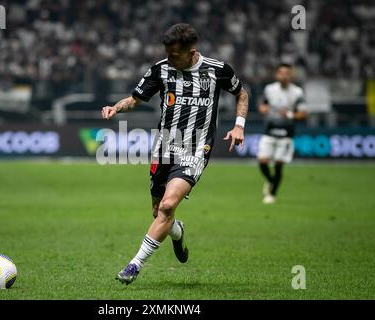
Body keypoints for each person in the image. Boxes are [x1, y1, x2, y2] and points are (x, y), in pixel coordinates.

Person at [101, 23, 249, 285]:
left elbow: (242, 94)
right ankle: (177, 232)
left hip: (196, 148)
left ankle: (134, 265)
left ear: (192, 51)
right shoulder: (161, 69)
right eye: (167, 53)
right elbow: (135, 99)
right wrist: (116, 107)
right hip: (164, 147)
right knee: (159, 211)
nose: (169, 59)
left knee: (168, 205)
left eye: (174, 55)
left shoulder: (218, 70)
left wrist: (239, 126)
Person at [257, 63, 307, 204]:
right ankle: (271, 181)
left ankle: (271, 195)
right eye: (281, 73)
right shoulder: (269, 89)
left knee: (279, 164)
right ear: (277, 75)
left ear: (291, 75)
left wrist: (290, 114)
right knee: (262, 161)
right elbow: (262, 106)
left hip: (286, 132)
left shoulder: (297, 92)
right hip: (270, 130)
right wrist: (263, 109)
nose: (284, 76)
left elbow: (303, 114)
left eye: (287, 73)